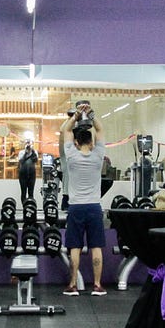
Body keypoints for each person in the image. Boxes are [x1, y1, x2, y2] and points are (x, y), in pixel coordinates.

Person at [60, 102, 107, 296]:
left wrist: (76, 115)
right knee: (96, 247)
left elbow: (66, 130)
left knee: (75, 247)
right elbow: (100, 128)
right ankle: (97, 285)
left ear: (77, 143)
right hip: (94, 207)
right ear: (92, 142)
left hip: (76, 207)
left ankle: (72, 285)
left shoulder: (71, 155)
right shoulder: (98, 155)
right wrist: (91, 114)